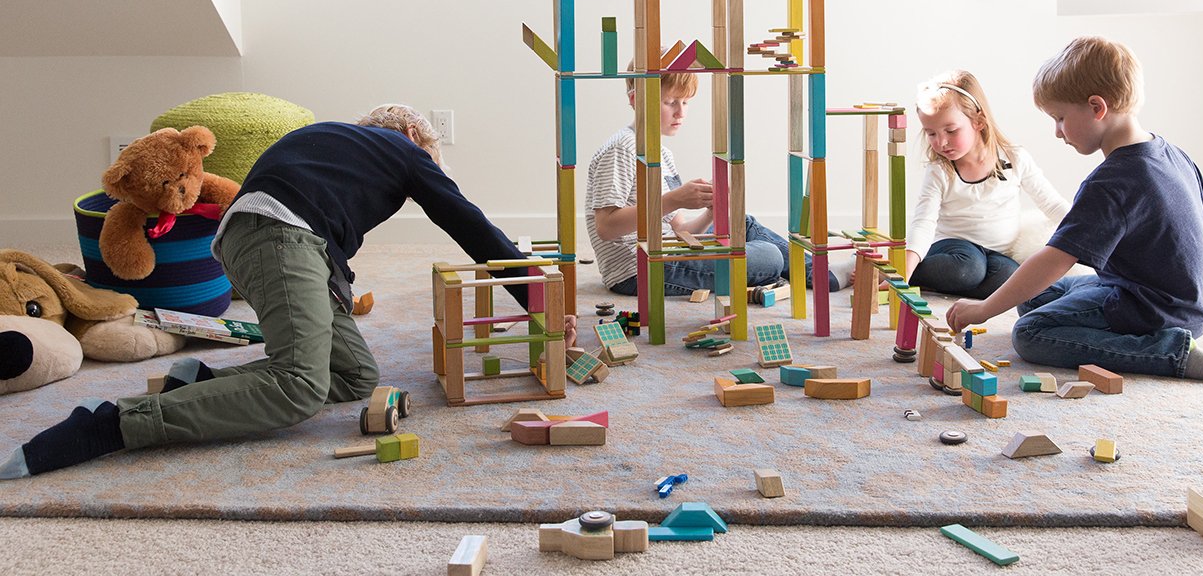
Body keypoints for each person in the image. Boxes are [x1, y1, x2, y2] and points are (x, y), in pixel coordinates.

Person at [2, 105, 552, 479]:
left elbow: (318, 225)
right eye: (428, 156)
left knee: (355, 375)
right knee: (299, 386)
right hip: (280, 242)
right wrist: (541, 307)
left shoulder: (327, 142)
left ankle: (194, 383)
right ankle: (114, 423)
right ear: (411, 139)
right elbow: (475, 229)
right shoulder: (403, 151)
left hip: (254, 248)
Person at [945, 38, 1203, 381]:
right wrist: (1157, 247)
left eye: (1060, 118)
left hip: (1150, 310)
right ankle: (1155, 334)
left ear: (1096, 107)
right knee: (1033, 298)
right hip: (1173, 301)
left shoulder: (1110, 182)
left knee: (1030, 333)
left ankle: (1168, 353)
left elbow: (1055, 259)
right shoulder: (1171, 153)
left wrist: (984, 309)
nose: (1057, 132)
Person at [586, 67, 849, 298]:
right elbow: (607, 227)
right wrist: (674, 199)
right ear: (635, 99)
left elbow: (682, 232)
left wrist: (712, 211)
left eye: (686, 103)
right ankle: (816, 275)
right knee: (769, 256)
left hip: (668, 250)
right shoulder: (621, 148)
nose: (680, 112)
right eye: (670, 102)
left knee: (742, 222)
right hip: (639, 270)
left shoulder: (663, 154)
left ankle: (820, 273)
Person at [907, 70, 1070, 299]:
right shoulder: (940, 171)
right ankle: (898, 273)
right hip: (954, 250)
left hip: (997, 253)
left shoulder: (1015, 158)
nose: (941, 142)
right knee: (969, 268)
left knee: (1010, 278)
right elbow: (923, 221)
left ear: (979, 122)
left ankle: (940, 283)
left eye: (951, 131)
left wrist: (1087, 233)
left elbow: (1051, 203)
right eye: (931, 133)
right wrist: (904, 271)